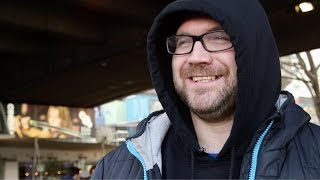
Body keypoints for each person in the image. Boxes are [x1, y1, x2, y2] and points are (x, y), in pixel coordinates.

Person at [92, 0, 320, 179]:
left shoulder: (314, 156)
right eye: (182, 42)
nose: (196, 57)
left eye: (218, 38)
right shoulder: (114, 169)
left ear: (254, 52)